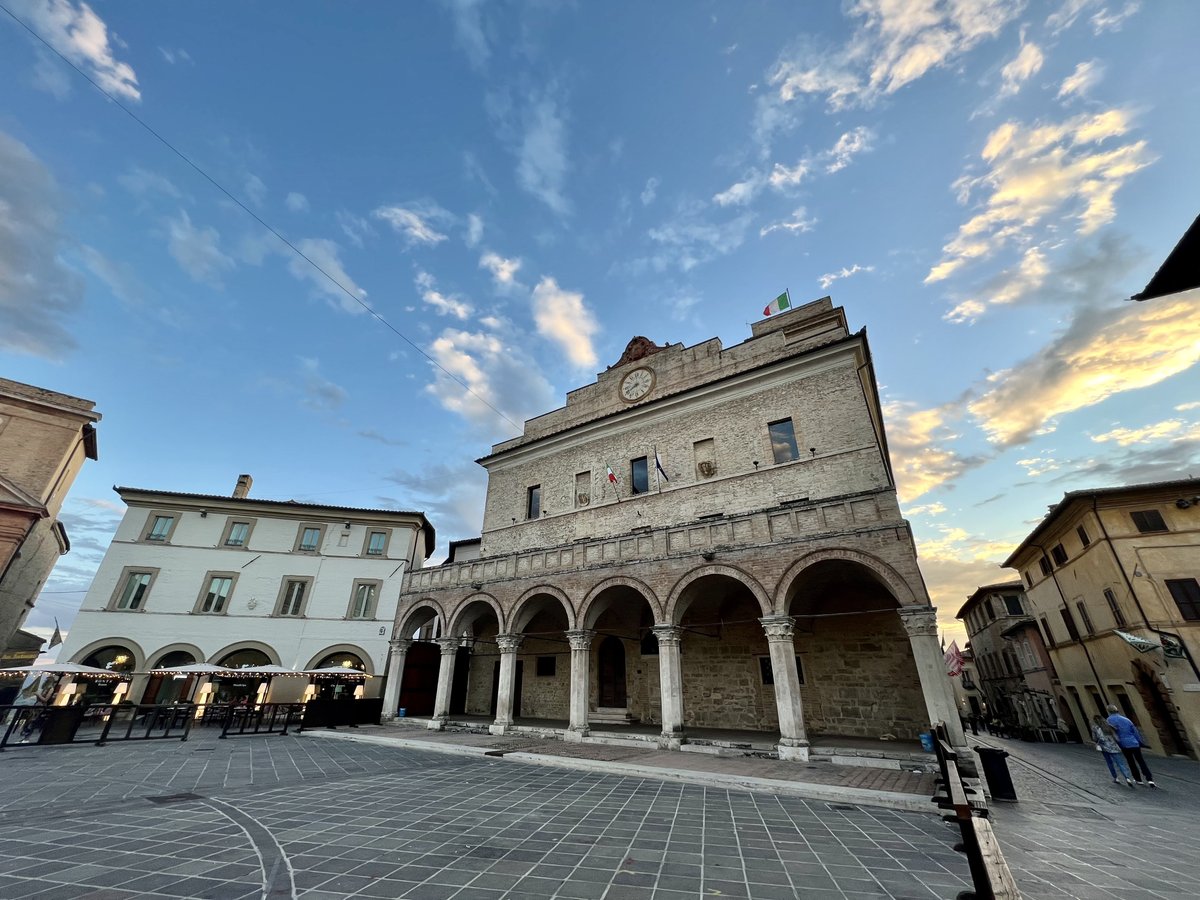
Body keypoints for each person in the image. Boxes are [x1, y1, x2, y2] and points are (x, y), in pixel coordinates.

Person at [1106, 705, 1156, 787]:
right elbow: (1135, 731)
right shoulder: (1126, 720)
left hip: (1123, 744)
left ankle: (1138, 779)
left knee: (1131, 761)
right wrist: (1139, 741)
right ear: (1117, 710)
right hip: (1134, 742)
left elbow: (1111, 733)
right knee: (1141, 761)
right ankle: (1150, 779)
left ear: (1109, 711)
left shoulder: (1109, 720)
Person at [1091, 715, 1134, 787]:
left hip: (1103, 747)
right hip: (1113, 746)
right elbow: (1116, 737)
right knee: (1120, 763)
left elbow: (1094, 738)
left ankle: (1115, 778)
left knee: (1109, 763)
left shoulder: (1094, 728)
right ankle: (1127, 778)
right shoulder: (1108, 726)